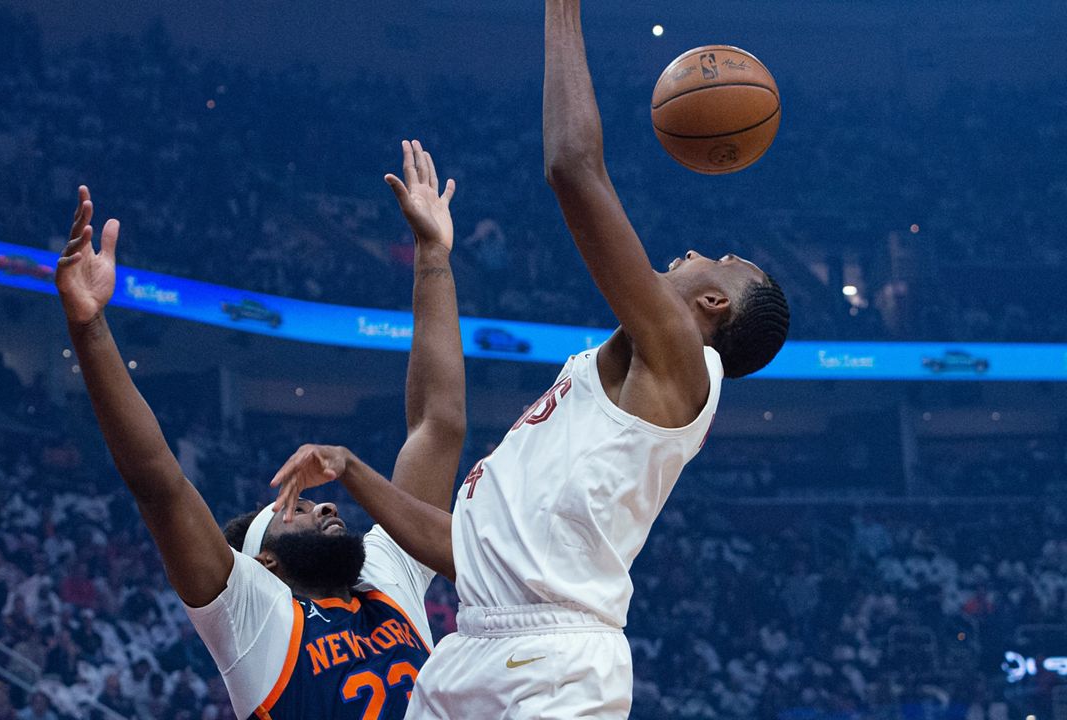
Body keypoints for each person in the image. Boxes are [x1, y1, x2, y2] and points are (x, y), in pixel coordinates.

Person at [272, 3, 790, 717]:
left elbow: (573, 169)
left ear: (711, 307)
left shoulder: (686, 364)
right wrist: (354, 469)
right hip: (473, 645)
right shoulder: (606, 379)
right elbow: (467, 552)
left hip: (558, 661)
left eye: (723, 262)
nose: (701, 251)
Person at [55, 139, 465, 720]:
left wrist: (432, 256)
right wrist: (90, 329)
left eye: (313, 503)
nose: (324, 509)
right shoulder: (250, 609)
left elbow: (438, 425)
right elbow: (158, 481)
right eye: (295, 509)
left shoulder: (381, 575)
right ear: (265, 561)